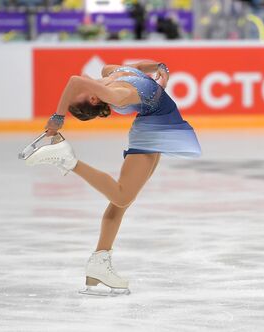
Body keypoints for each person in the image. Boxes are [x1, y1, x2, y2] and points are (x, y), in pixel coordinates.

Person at [25, 60, 201, 295]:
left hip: (158, 126)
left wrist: (161, 67)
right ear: (94, 98)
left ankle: (99, 262)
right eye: (80, 94)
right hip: (152, 129)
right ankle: (69, 160)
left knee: (122, 202)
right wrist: (57, 119)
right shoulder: (116, 95)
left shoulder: (111, 72)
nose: (79, 88)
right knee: (121, 195)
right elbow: (75, 80)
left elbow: (139, 64)